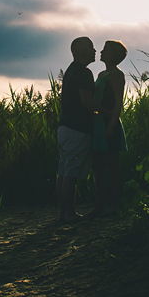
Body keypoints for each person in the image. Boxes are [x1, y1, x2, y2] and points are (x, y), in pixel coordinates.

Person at [56, 36, 101, 223]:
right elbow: (87, 102)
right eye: (91, 47)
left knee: (64, 170)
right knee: (71, 173)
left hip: (65, 127)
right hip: (77, 129)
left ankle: (63, 213)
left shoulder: (71, 70)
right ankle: (69, 214)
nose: (95, 51)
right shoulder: (84, 72)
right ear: (83, 51)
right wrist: (105, 111)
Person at [87, 40, 128, 218]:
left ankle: (115, 206)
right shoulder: (101, 74)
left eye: (106, 50)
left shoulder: (116, 75)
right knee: (98, 167)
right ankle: (99, 206)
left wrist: (111, 125)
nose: (101, 52)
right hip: (97, 124)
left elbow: (118, 102)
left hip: (108, 123)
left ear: (113, 55)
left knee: (112, 166)